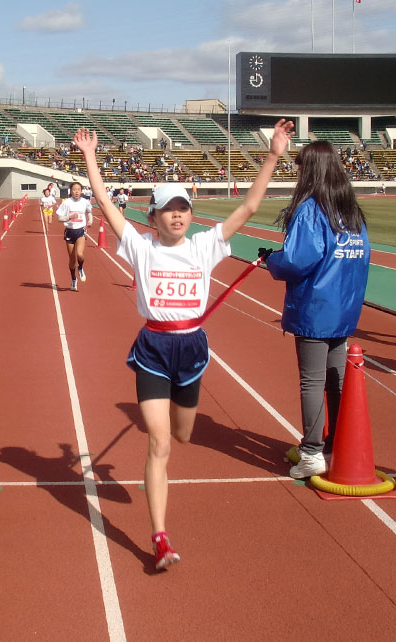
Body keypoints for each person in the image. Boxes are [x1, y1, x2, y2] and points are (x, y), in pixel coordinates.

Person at [74, 118, 294, 570]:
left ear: (191, 215)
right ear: (152, 217)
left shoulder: (205, 246)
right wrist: (91, 159)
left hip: (192, 350)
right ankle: (159, 537)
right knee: (160, 444)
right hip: (154, 348)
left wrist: (273, 154)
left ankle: (170, 440)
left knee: (182, 434)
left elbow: (250, 206)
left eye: (184, 208)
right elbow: (103, 202)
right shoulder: (140, 247)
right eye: (168, 209)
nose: (177, 214)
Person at [263, 141, 370, 478]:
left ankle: (312, 452)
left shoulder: (312, 210)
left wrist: (271, 260)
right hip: (343, 307)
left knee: (312, 382)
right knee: (336, 381)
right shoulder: (351, 212)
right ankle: (335, 443)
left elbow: (297, 260)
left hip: (315, 308)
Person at [55, 181, 93, 291]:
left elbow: (89, 212)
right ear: (70, 191)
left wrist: (90, 221)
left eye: (78, 189)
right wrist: (68, 217)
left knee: (80, 254)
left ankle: (80, 268)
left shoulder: (85, 202)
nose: (76, 192)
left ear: (81, 191)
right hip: (69, 232)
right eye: (74, 190)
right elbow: (59, 218)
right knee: (72, 260)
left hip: (80, 231)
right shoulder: (66, 203)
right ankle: (73, 279)